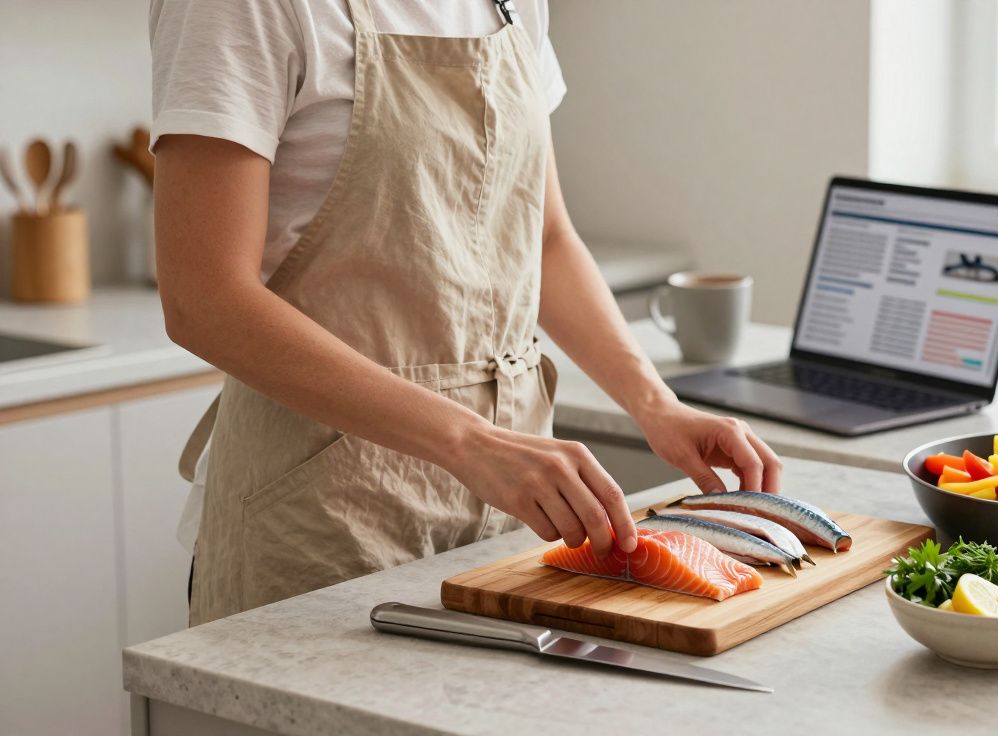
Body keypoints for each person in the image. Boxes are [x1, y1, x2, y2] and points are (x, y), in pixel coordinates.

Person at [149, 0, 782, 625]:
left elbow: (544, 236)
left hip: (506, 512)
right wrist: (472, 443)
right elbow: (204, 300)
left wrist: (656, 406)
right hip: (324, 511)